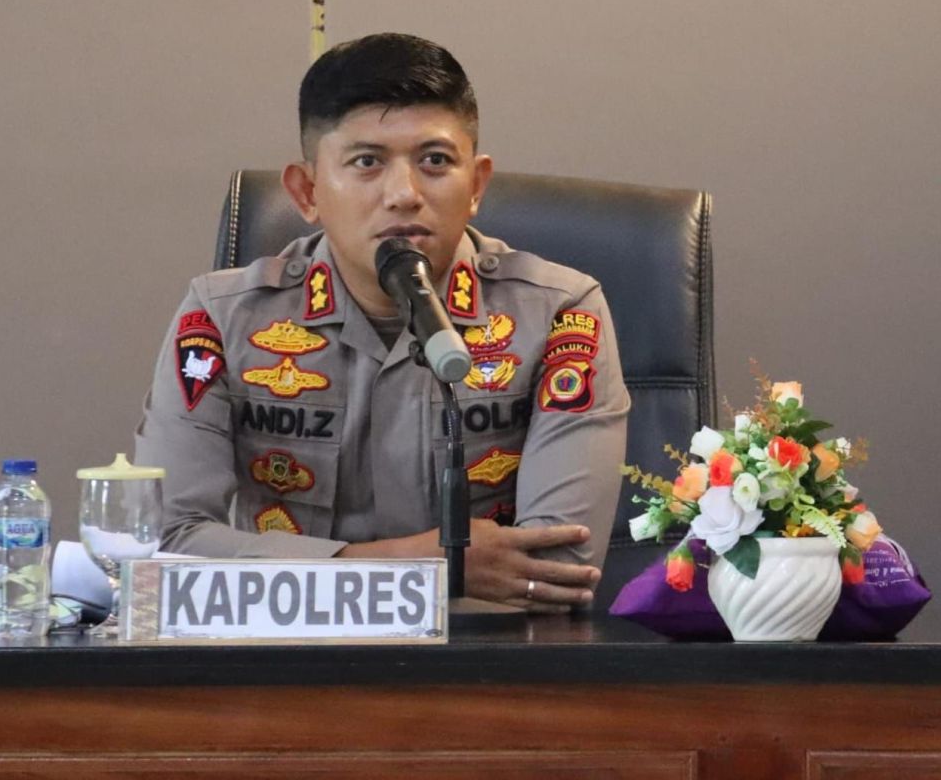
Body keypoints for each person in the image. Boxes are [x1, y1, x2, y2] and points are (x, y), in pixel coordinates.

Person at [135, 33, 629, 613]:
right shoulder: (222, 317)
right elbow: (165, 548)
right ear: (307, 192)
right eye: (366, 162)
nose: (404, 194)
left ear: (476, 185)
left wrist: (318, 571)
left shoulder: (560, 312)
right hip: (287, 655)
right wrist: (437, 566)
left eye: (435, 161)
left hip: (486, 656)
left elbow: (554, 569)